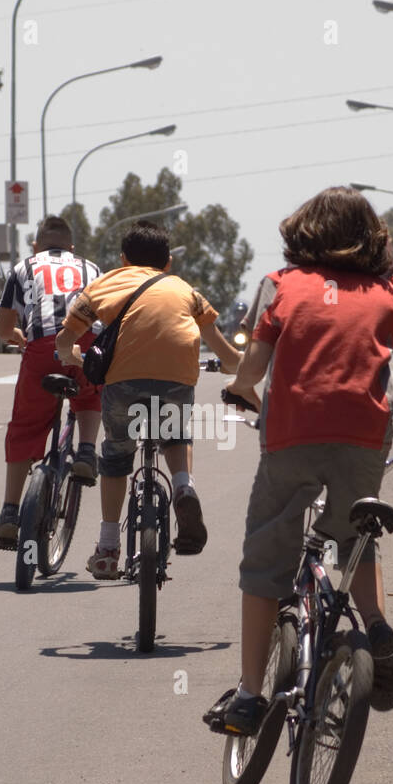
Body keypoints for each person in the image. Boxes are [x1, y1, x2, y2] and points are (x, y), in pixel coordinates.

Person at [204, 186, 393, 736]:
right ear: (370, 239)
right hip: (363, 436)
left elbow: (251, 371)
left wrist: (239, 390)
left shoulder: (281, 286)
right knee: (356, 538)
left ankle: (250, 696)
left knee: (265, 566)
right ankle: (375, 625)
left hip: (291, 437)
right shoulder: (386, 296)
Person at [54, 220, 242, 578]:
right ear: (168, 262)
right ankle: (184, 486)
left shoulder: (106, 282)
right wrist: (242, 369)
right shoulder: (186, 290)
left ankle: (109, 548)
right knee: (174, 433)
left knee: (116, 455)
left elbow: (66, 339)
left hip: (123, 383)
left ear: (123, 259)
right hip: (175, 378)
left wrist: (73, 358)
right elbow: (228, 355)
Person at [0, 215, 103, 549]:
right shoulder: (93, 270)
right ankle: (86, 450)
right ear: (72, 247)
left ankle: (10, 514)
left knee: (25, 427)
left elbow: (0, 327)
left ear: (36, 245)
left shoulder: (23, 267)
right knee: (90, 395)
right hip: (85, 341)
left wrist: (16, 336)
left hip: (42, 346)